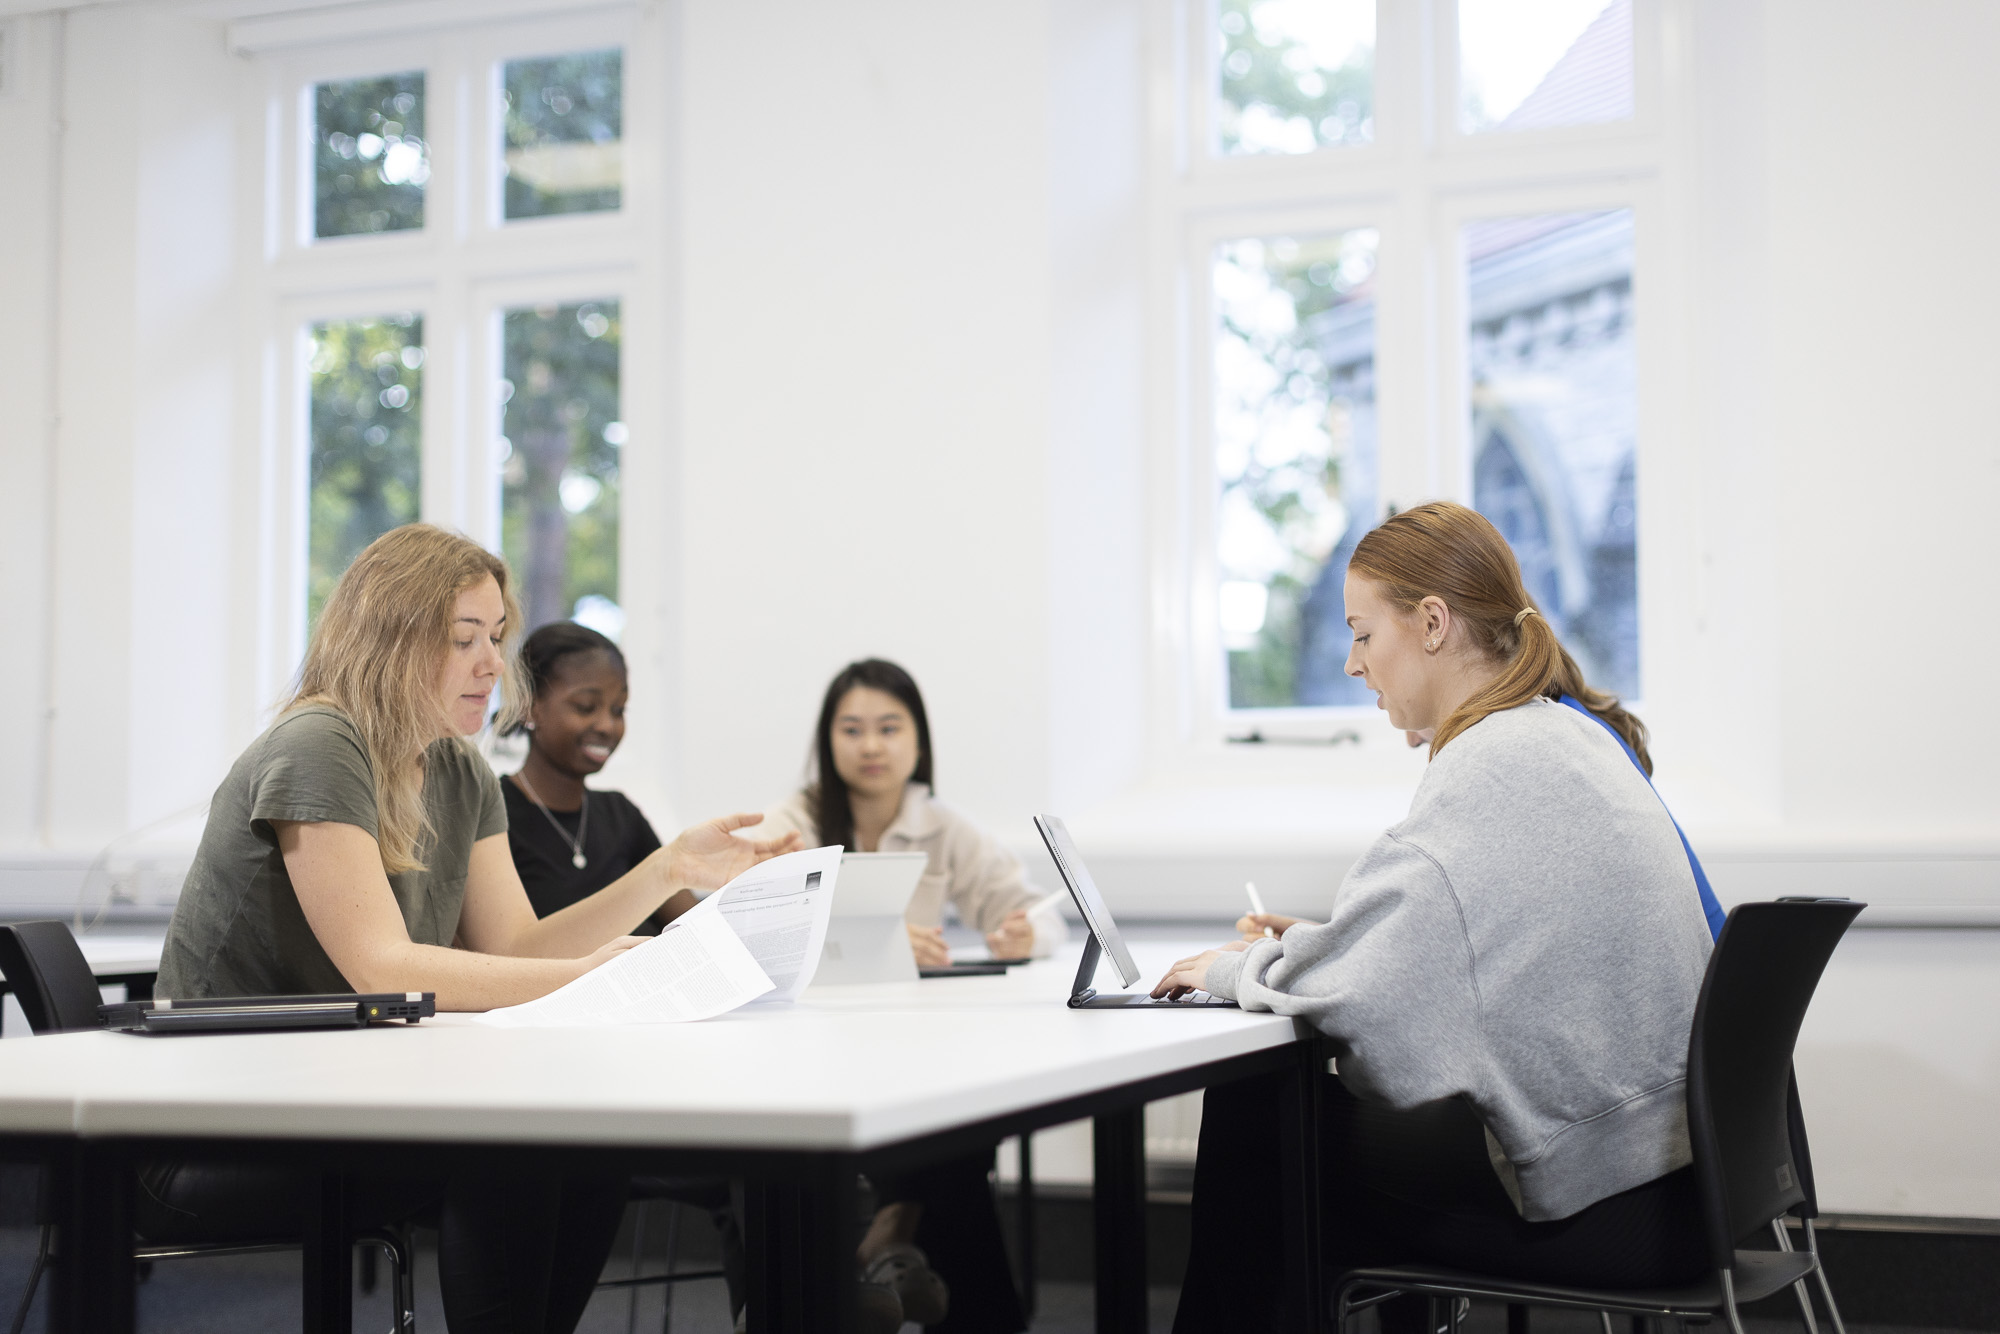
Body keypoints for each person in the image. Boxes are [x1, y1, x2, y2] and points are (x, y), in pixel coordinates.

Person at [151, 524, 797, 1334]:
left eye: (495, 637)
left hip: (326, 1100)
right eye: (464, 639)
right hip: (210, 1130)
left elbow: (516, 950)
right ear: (389, 637)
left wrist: (669, 870)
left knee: (588, 1148)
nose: (495, 664)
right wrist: (605, 975)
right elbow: (384, 969)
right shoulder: (320, 745)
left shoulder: (458, 771)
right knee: (513, 1151)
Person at [1153, 502, 1715, 1334]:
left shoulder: (1492, 761)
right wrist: (1342, 950)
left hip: (1612, 1211)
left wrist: (1230, 970)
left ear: (1431, 624)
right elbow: (1447, 947)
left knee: (1260, 1123)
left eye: (1362, 633)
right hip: (1680, 1185)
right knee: (1338, 1135)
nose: (1351, 663)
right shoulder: (1566, 733)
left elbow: (1374, 1015)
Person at [753, 658, 1057, 1334]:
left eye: (889, 728)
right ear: (827, 740)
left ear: (918, 740)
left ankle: (886, 1246)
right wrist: (884, 940)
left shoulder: (941, 824)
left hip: (911, 1045)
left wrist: (1019, 935)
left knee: (958, 1110)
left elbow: (1041, 915)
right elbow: (753, 924)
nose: (870, 746)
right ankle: (900, 1252)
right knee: (956, 1138)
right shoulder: (794, 820)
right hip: (808, 1052)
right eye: (852, 728)